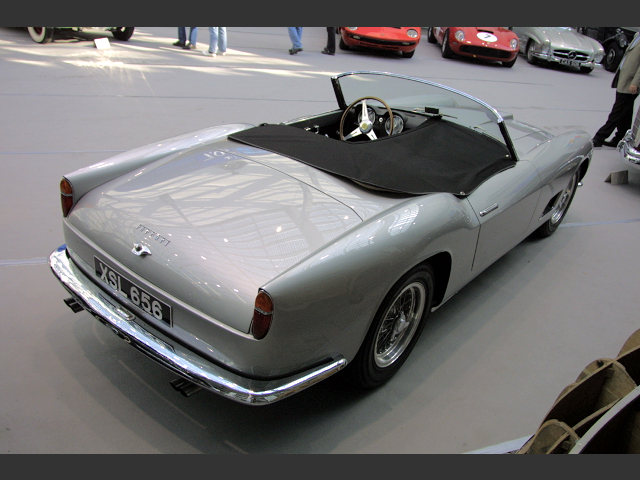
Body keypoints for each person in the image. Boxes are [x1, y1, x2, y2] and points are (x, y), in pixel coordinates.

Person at [593, 32, 640, 147]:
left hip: (630, 82)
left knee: (617, 111)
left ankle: (599, 138)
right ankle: (620, 138)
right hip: (624, 77)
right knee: (625, 112)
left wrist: (635, 82)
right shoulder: (637, 36)